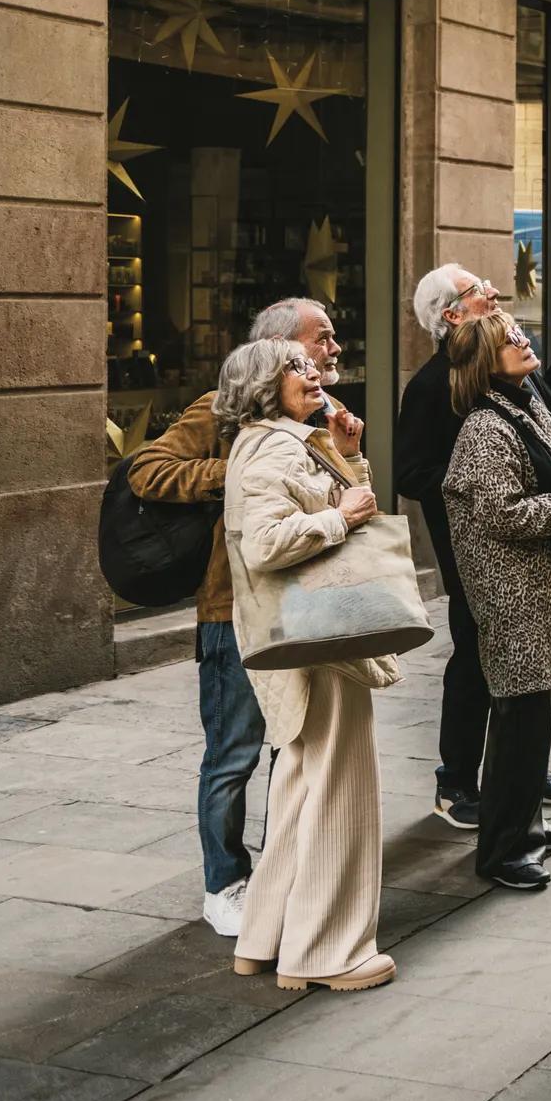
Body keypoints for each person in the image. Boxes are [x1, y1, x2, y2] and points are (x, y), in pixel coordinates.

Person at [127, 297, 359, 940]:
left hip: (304, 602)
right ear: (280, 350)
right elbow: (147, 470)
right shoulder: (221, 410)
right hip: (232, 609)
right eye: (323, 339)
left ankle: (285, 870)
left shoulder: (323, 416)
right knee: (233, 755)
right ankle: (223, 880)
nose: (333, 351)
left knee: (299, 747)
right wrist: (238, 473)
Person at [217, 338, 398, 992]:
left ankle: (264, 936)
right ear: (263, 385)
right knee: (339, 789)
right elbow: (267, 542)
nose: (313, 370)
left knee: (300, 785)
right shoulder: (269, 447)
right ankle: (328, 952)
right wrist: (336, 517)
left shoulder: (288, 440)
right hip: (316, 639)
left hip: (309, 635)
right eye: (294, 365)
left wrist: (348, 457)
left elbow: (360, 507)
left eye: (310, 362)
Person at [395, 266, 551, 831]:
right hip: (475, 545)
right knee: (476, 657)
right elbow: (411, 473)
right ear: (452, 315)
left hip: (527, 536)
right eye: (478, 288)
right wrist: (480, 481)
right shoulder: (436, 383)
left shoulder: (501, 364)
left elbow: (544, 420)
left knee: (525, 655)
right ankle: (456, 781)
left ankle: (518, 770)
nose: (494, 291)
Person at [440, 313, 551, 893]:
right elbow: (500, 513)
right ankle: (504, 849)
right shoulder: (484, 427)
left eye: (518, 332)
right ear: (486, 362)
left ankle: (526, 820)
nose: (523, 340)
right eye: (509, 339)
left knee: (531, 719)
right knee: (517, 723)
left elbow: (540, 477)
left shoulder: (520, 405)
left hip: (538, 587)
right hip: (512, 594)